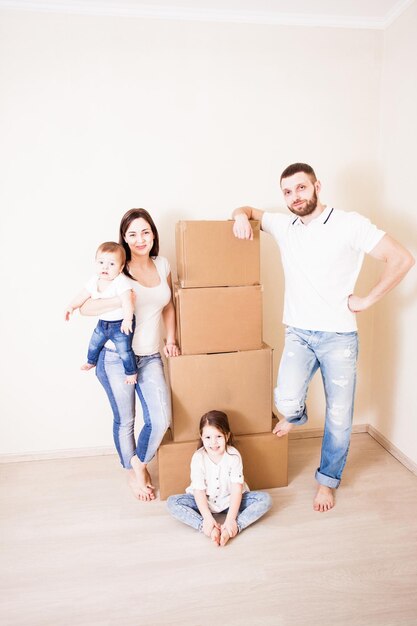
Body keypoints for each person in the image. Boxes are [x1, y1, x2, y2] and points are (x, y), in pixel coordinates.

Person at [232, 162, 414, 513]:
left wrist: (366, 300)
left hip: (339, 338)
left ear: (317, 186)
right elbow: (247, 210)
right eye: (287, 192)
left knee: (339, 417)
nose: (294, 197)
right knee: (286, 403)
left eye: (301, 188)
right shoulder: (286, 226)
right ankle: (295, 417)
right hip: (299, 333)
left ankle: (326, 482)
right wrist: (241, 216)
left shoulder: (350, 223)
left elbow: (402, 258)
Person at [80, 209, 180, 501]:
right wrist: (121, 299)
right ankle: (134, 471)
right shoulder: (116, 269)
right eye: (132, 234)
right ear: (123, 237)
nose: (139, 239)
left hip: (150, 356)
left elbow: (169, 305)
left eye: (145, 232)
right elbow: (85, 308)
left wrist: (170, 339)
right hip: (114, 358)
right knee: (125, 420)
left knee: (160, 419)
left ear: (153, 235)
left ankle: (139, 462)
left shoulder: (162, 264)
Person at [167, 410, 272, 546]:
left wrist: (230, 520)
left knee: (265, 499)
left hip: (230, 501)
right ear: (201, 437)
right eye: (208, 437)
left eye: (219, 436)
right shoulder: (198, 458)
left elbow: (236, 489)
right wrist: (207, 518)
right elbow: (198, 491)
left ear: (227, 436)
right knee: (172, 502)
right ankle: (208, 528)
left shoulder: (233, 456)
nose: (214, 443)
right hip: (205, 502)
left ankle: (232, 528)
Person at [65, 241, 137, 385]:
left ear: (121, 268)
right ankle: (91, 361)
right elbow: (83, 295)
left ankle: (131, 372)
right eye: (101, 262)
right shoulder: (94, 280)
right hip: (103, 324)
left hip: (120, 324)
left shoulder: (120, 282)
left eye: (111, 264)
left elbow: (128, 302)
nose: (105, 267)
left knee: (124, 351)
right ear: (95, 263)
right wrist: (71, 306)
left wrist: (128, 320)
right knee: (94, 344)